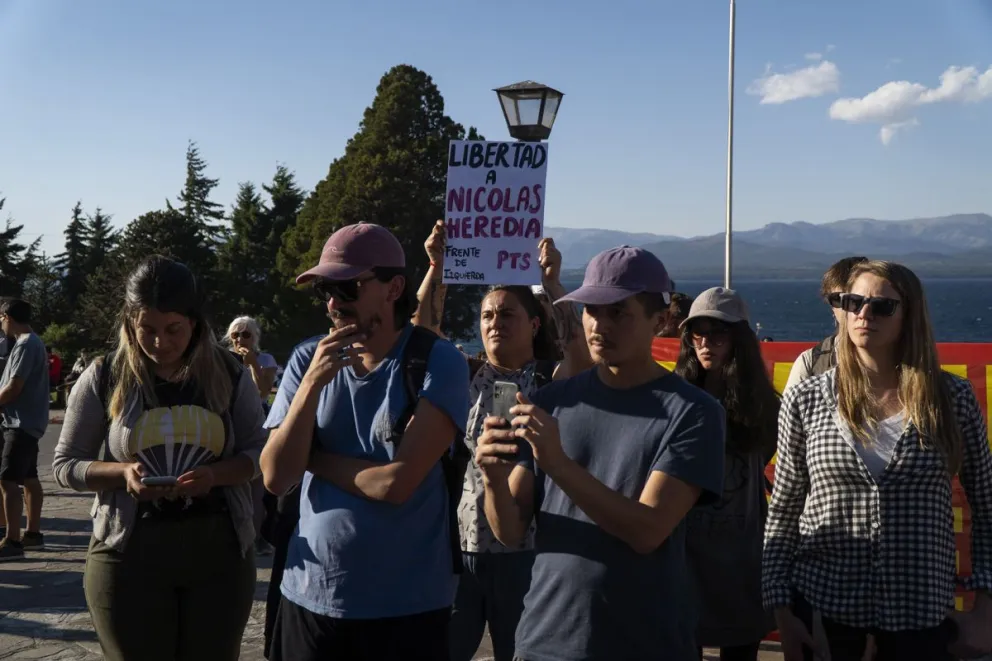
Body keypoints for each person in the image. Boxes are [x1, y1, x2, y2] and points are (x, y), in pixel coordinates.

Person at [477, 246, 727, 661]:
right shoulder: (552, 401)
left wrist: (557, 463)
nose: (599, 325)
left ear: (661, 321)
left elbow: (647, 531)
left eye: (618, 312)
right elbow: (510, 530)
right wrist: (492, 478)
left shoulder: (694, 413)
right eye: (591, 310)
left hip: (644, 643)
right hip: (543, 641)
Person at [260, 222, 470, 661]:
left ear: (394, 288)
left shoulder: (437, 361)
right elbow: (277, 477)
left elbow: (395, 485)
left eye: (348, 288)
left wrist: (313, 459)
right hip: (309, 598)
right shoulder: (307, 359)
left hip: (406, 610)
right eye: (325, 291)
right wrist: (312, 385)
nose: (334, 303)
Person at [763, 260, 992, 661]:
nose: (864, 314)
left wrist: (986, 610)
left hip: (920, 616)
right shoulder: (807, 399)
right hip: (824, 609)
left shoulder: (951, 400)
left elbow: (987, 505)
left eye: (882, 306)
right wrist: (781, 608)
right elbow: (784, 508)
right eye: (854, 302)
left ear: (909, 316)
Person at [51, 256, 266, 661]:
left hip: (219, 554)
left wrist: (215, 476)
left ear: (196, 324)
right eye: (146, 330)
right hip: (127, 555)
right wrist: (122, 474)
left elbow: (258, 451)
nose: (159, 343)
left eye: (173, 330)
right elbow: (65, 464)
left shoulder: (229, 373)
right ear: (130, 322)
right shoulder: (104, 374)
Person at [414, 220, 592, 661]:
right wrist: (436, 266)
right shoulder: (464, 373)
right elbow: (421, 332)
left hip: (529, 553)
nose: (495, 322)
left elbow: (580, 356)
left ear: (534, 324)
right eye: (487, 315)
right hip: (460, 548)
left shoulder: (551, 381)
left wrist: (550, 283)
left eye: (507, 313)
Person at [675, 288, 779, 660]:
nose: (705, 344)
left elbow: (766, 455)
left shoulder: (765, 404)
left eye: (717, 334)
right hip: (685, 560)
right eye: (696, 334)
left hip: (742, 559)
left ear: (739, 340)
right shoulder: (675, 398)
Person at [224, 315, 279, 556]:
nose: (240, 339)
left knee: (256, 480)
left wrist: (252, 364)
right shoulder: (223, 359)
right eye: (236, 334)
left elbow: (264, 391)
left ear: (254, 337)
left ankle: (256, 537)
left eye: (246, 334)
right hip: (230, 421)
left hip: (259, 420)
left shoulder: (265, 359)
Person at [0, 298, 49, 559]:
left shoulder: (26, 344)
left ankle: (12, 541)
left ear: (7, 316)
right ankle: (33, 534)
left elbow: (13, 387)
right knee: (30, 479)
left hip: (20, 423)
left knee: (7, 482)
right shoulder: (32, 342)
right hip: (29, 423)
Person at [784, 256, 868, 391]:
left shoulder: (903, 359)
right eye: (838, 299)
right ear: (830, 305)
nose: (847, 307)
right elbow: (790, 410)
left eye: (855, 299)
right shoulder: (811, 362)